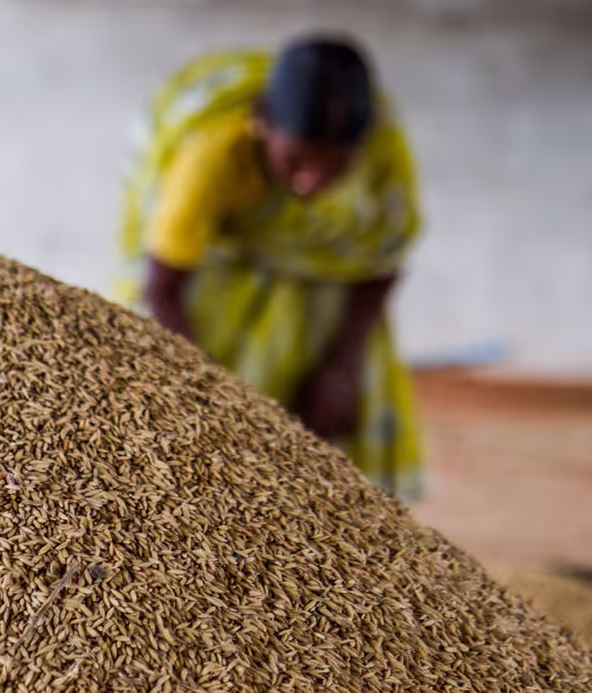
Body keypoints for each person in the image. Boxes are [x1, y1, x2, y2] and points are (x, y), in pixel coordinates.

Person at [115, 34, 424, 499]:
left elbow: (381, 262)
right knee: (175, 430)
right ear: (261, 122)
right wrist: (207, 389)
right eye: (294, 159)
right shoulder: (213, 154)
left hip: (327, 283)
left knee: (328, 430)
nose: (310, 182)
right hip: (213, 284)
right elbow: (162, 287)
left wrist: (341, 368)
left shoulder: (384, 153)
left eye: (335, 167)